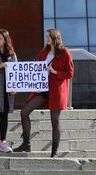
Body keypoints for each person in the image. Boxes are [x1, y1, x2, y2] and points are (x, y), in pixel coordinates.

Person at [14, 29, 74, 158]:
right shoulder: (43, 52)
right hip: (42, 89)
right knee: (24, 112)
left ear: (55, 38)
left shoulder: (64, 53)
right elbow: (37, 69)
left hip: (56, 90)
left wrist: (54, 72)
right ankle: (26, 144)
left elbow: (70, 73)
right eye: (46, 36)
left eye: (49, 36)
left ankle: (54, 150)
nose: (47, 38)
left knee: (55, 121)